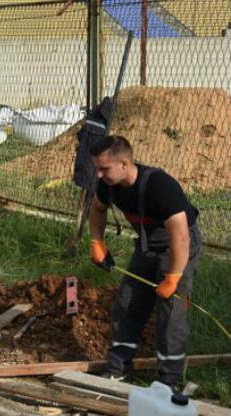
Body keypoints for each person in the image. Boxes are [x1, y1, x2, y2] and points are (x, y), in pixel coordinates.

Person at [88, 135, 201, 389]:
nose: (98, 174)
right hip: (147, 244)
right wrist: (97, 242)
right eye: (97, 167)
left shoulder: (159, 186)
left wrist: (172, 277)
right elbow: (97, 209)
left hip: (179, 245)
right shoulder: (109, 185)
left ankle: (169, 380)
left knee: (170, 311)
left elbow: (181, 237)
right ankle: (118, 369)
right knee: (127, 302)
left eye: (104, 168)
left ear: (125, 164)